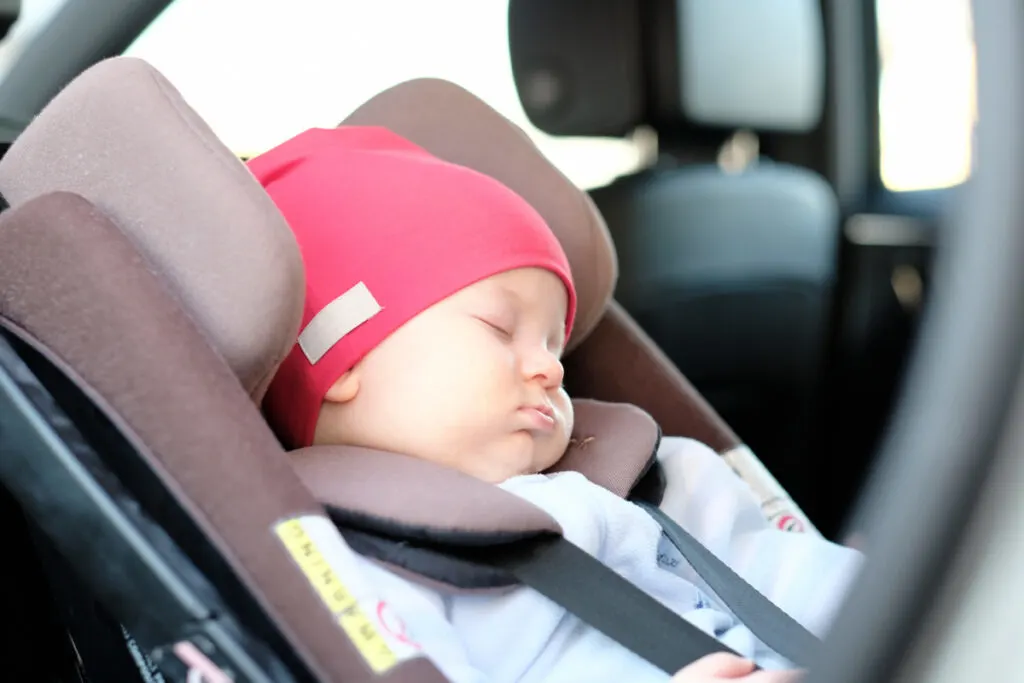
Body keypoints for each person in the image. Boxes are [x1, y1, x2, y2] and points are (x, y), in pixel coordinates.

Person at [247, 126, 862, 683]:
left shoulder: (655, 481)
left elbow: (796, 576)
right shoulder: (345, 562)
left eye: (555, 343)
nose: (551, 367)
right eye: (498, 328)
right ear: (345, 363)